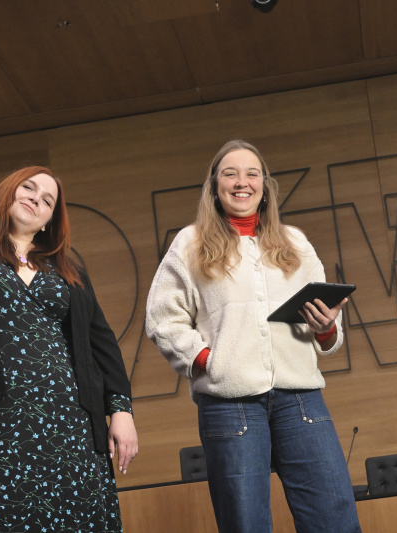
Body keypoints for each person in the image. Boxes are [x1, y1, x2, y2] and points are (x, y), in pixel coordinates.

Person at [146, 140, 362, 532]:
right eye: (230, 173)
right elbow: (163, 318)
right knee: (245, 524)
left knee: (335, 519)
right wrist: (207, 362)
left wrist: (326, 327)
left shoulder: (294, 242)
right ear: (214, 186)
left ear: (265, 186)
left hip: (301, 400)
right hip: (231, 405)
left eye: (252, 173)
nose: (241, 182)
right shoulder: (190, 243)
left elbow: (329, 334)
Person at [0, 166, 138, 532]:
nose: (36, 199)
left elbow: (101, 342)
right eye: (28, 188)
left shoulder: (67, 269)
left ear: (48, 221)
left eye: (47, 201)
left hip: (70, 428)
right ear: (7, 192)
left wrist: (121, 410)